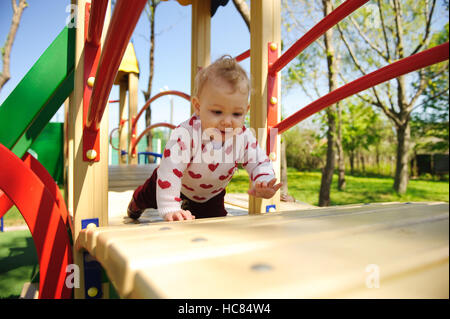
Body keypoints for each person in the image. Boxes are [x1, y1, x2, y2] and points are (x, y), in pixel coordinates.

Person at [127, 55, 282, 222]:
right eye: (217, 112)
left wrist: (264, 181)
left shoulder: (243, 137)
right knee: (145, 196)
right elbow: (170, 169)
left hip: (211, 195)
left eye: (237, 113)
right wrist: (170, 207)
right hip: (171, 184)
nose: (227, 121)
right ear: (198, 107)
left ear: (246, 110)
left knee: (217, 224)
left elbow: (259, 161)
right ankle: (136, 202)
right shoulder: (187, 134)